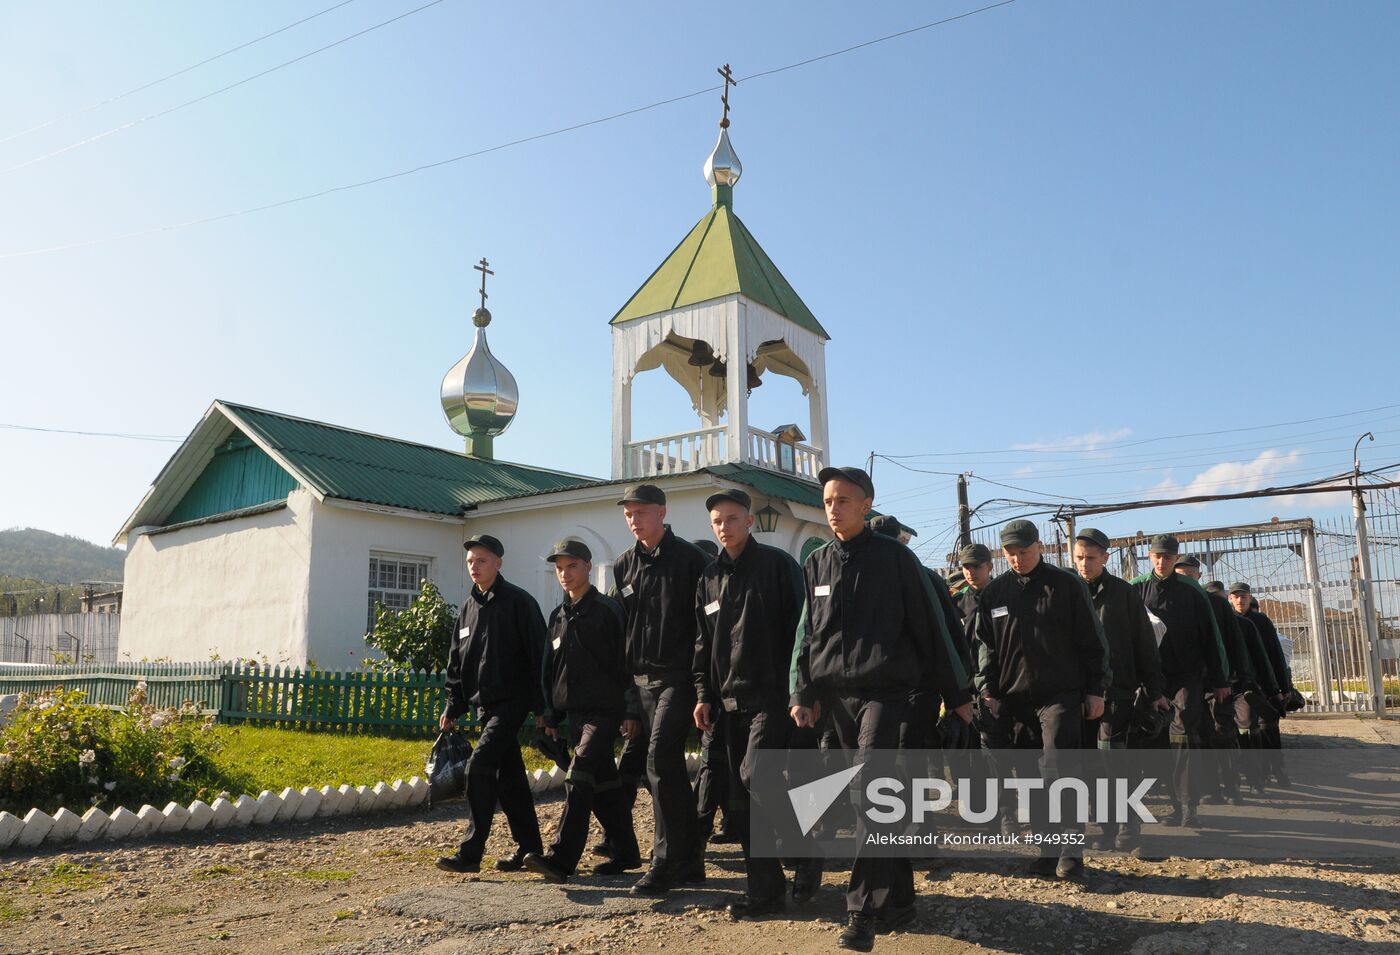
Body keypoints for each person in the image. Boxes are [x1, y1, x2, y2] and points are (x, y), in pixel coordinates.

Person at [790, 466, 972, 952]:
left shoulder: (894, 558)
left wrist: (958, 695)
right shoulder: (817, 564)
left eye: (844, 499)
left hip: (887, 694)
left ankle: (862, 911)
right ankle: (901, 899)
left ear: (866, 505)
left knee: (872, 790)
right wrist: (801, 693)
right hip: (836, 700)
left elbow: (932, 627)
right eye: (828, 500)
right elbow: (807, 637)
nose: (834, 507)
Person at [692, 488, 811, 919]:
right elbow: (703, 644)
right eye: (717, 521)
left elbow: (804, 633)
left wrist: (801, 692)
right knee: (739, 802)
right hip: (727, 701)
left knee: (755, 774)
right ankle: (765, 892)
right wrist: (704, 695)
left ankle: (802, 848)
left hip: (772, 696)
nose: (724, 527)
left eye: (732, 518)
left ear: (749, 521)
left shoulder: (779, 567)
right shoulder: (708, 578)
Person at [973, 519, 1108, 881]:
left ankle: (1071, 852)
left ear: (1041, 548)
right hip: (1015, 699)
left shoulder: (1065, 586)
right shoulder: (995, 594)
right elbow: (986, 648)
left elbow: (1091, 641)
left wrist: (1096, 689)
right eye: (1011, 554)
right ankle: (1048, 851)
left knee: (1060, 769)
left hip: (1060, 695)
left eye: (1025, 552)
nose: (1017, 559)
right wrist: (988, 690)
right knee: (1031, 775)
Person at [521, 539, 644, 883]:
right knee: (603, 786)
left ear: (588, 567)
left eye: (572, 566)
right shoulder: (558, 616)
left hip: (605, 712)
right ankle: (627, 851)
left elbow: (626, 662)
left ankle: (561, 859)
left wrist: (631, 710)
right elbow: (550, 669)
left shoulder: (608, 611)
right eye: (559, 568)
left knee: (579, 776)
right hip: (573, 715)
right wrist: (548, 713)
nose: (565, 574)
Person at [611, 484, 711, 896]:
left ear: (662, 512)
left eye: (642, 512)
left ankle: (664, 863)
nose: (634, 520)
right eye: (629, 514)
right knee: (663, 774)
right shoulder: (624, 566)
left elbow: (707, 627)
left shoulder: (691, 560)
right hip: (643, 680)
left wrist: (705, 686)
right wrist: (630, 702)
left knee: (658, 761)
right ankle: (690, 859)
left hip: (680, 677)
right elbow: (626, 632)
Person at [436, 534, 547, 874]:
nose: (475, 567)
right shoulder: (468, 609)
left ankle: (471, 853)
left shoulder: (519, 603)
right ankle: (530, 849)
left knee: (478, 767)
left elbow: (539, 657)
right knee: (510, 778)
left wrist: (544, 709)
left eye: (481, 560)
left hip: (512, 702)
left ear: (498, 563)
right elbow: (457, 662)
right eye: (470, 561)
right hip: (485, 707)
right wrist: (453, 706)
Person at [1072, 528, 1167, 851]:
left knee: (1116, 764)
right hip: (1077, 694)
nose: (1084, 564)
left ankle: (1130, 825)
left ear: (1105, 558)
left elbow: (1144, 643)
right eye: (1079, 558)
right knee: (1090, 766)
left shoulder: (1123, 593)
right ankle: (1107, 828)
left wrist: (1155, 691)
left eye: (1091, 558)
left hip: (1118, 691)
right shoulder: (1067, 591)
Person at [1130, 535, 1230, 828]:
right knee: (1155, 739)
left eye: (1168, 558)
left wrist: (1220, 678)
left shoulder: (1192, 590)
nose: (1162, 562)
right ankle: (1170, 803)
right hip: (1150, 678)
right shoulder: (1135, 589)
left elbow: (1212, 636)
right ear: (1149, 556)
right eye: (1157, 557)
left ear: (1176, 559)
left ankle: (1189, 806)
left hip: (1187, 674)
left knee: (1182, 731)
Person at [1175, 556, 1252, 805]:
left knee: (1221, 732)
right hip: (1185, 683)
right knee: (1195, 736)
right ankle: (1209, 788)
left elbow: (1234, 644)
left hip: (1217, 682)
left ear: (1198, 577)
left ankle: (1231, 786)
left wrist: (1235, 680)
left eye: (1190, 576)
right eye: (1180, 576)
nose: (1185, 581)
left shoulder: (1216, 606)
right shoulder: (1169, 605)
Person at [690, 539, 738, 846]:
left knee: (734, 764)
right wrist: (702, 693)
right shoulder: (704, 585)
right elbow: (702, 641)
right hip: (711, 688)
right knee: (713, 759)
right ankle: (701, 826)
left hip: (743, 690)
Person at [1232, 584, 1292, 787]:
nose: (1240, 601)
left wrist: (1283, 688)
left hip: (1264, 683)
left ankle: (1277, 769)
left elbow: (1275, 655)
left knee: (1269, 728)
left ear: (1250, 598)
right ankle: (1258, 772)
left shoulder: (1261, 622)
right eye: (1236, 597)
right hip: (1241, 686)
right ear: (1230, 599)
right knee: (1249, 729)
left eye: (1244, 597)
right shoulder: (1226, 621)